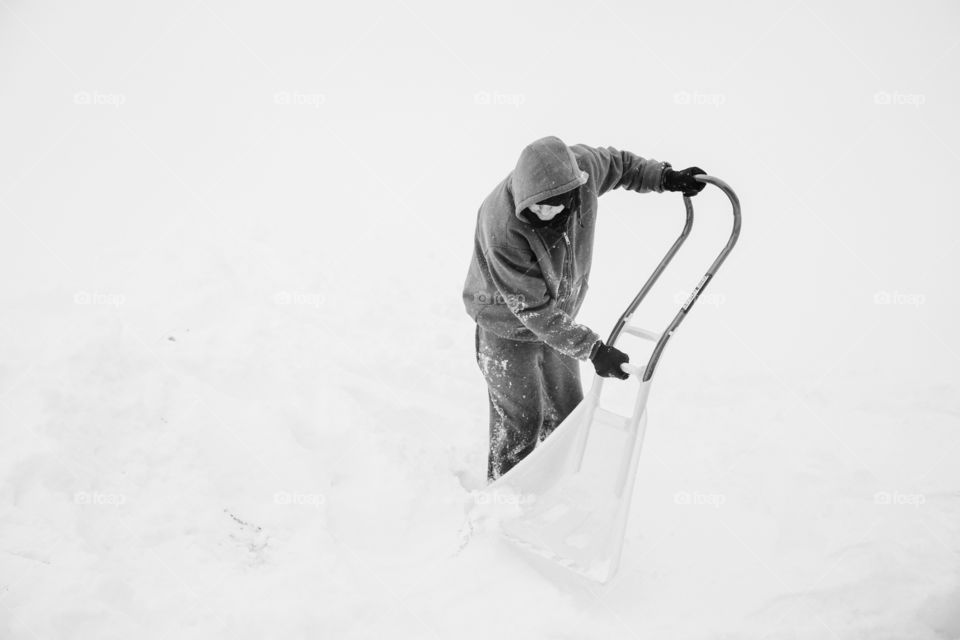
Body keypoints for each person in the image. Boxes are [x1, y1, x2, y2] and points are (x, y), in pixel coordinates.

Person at [462, 135, 706, 482]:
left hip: (559, 318)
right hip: (506, 323)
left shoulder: (581, 170)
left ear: (573, 190)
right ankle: (504, 499)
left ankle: (558, 484)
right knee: (520, 420)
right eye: (537, 206)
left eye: (553, 204)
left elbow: (620, 165)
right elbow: (531, 309)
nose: (544, 212)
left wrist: (664, 178)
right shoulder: (502, 226)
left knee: (567, 412)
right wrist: (593, 349)